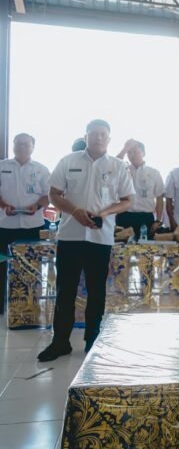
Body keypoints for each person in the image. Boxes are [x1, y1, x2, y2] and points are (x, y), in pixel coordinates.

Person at [37, 119, 134, 361]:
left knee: (96, 291)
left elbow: (127, 200)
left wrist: (104, 213)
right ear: (86, 135)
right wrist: (75, 211)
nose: (98, 138)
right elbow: (53, 194)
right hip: (70, 236)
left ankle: (92, 341)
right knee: (65, 291)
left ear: (109, 139)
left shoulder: (117, 166)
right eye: (94, 134)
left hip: (101, 238)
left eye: (103, 134)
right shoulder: (68, 161)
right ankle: (60, 342)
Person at [0, 133, 50, 315]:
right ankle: (1, 307)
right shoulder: (2, 166)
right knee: (2, 264)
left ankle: (32, 304)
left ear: (32, 147)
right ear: (13, 146)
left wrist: (36, 206)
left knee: (31, 265)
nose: (21, 147)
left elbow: (48, 195)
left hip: (32, 225)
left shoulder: (41, 170)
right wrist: (4, 205)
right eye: (18, 144)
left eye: (25, 144)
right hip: (5, 226)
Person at [115, 139, 164, 238]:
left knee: (146, 250)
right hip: (124, 216)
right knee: (121, 250)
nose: (131, 154)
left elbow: (159, 198)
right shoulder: (123, 170)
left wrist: (158, 220)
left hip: (145, 218)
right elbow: (113, 164)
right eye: (129, 152)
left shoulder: (154, 173)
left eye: (135, 151)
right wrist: (125, 149)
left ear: (143, 153)